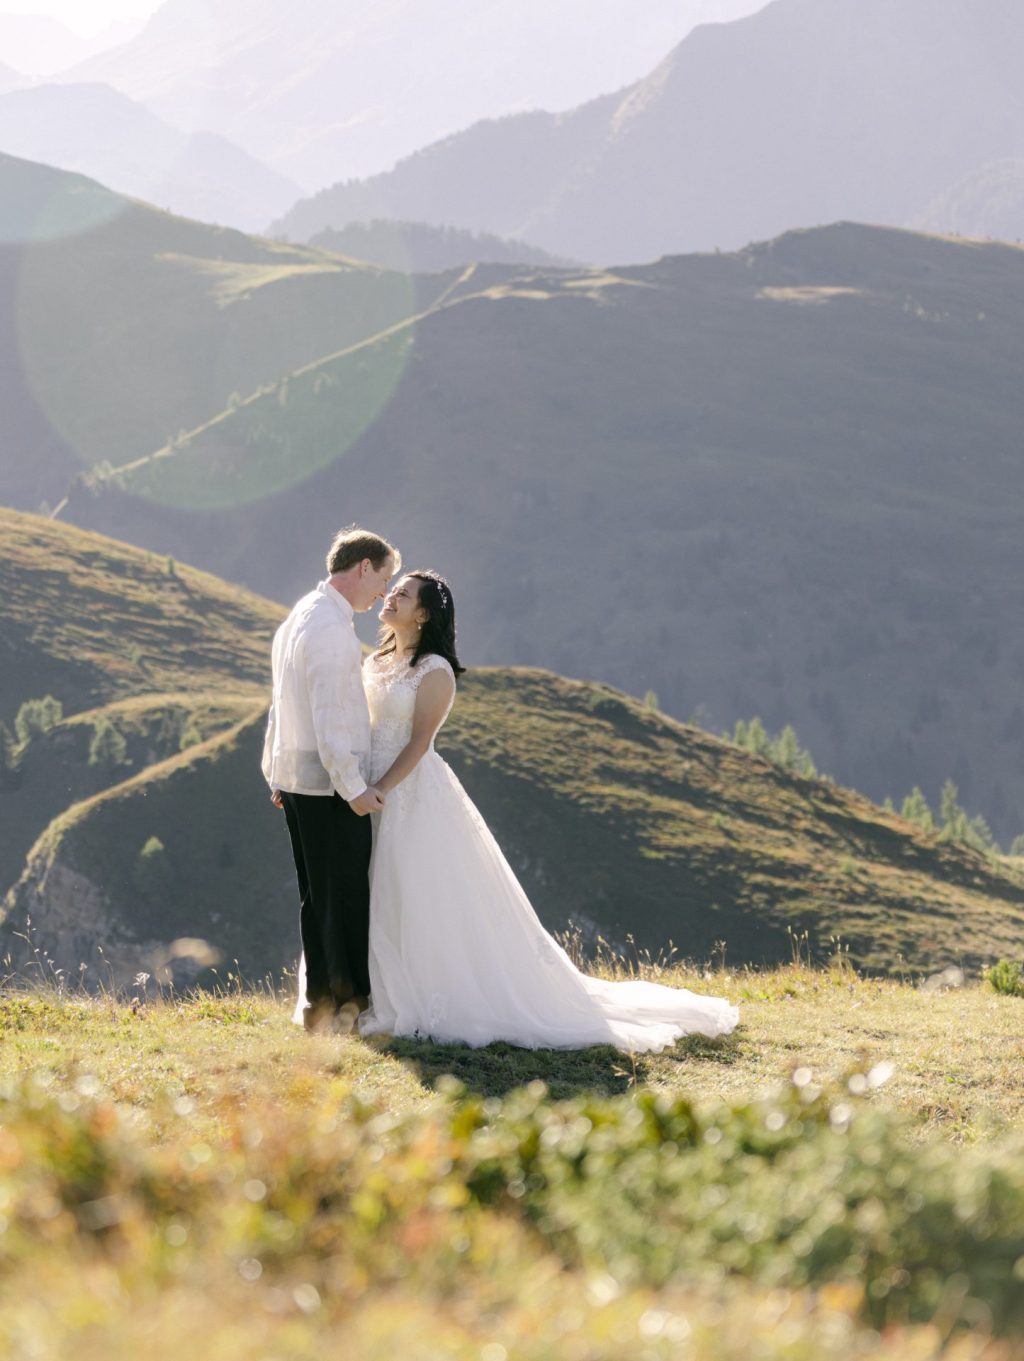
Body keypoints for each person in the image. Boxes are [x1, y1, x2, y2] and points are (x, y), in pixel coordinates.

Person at [348, 569, 739, 1053]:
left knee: (417, 891)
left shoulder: (435, 672)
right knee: (373, 889)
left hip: (408, 794)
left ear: (424, 613)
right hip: (367, 790)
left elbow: (420, 742)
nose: (391, 597)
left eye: (404, 595)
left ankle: (428, 996)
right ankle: (373, 988)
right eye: (394, 591)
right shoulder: (379, 659)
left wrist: (382, 788)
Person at [262, 526, 399, 1033]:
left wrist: (276, 770)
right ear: (363, 566)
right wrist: (355, 788)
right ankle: (345, 1004)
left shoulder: (304, 613)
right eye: (383, 578)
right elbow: (326, 716)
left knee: (317, 893)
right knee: (342, 893)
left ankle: (320, 1005)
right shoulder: (327, 629)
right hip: (328, 785)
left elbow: (281, 701)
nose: (384, 591)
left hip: (300, 779)